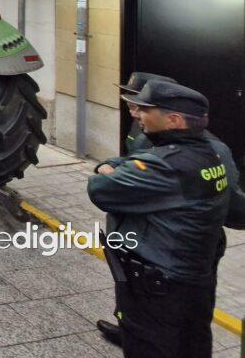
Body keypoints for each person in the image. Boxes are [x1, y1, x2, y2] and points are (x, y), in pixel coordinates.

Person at [88, 80, 243, 358]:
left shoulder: (169, 164)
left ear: (173, 119)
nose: (138, 114)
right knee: (191, 343)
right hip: (193, 277)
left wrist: (106, 170)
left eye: (146, 109)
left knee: (151, 346)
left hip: (159, 286)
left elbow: (100, 190)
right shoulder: (212, 153)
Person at [93, 70, 176, 346]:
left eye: (135, 103)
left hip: (151, 234)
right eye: (128, 101)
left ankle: (140, 334)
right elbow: (130, 159)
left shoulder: (166, 140)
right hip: (128, 224)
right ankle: (125, 324)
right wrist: (111, 165)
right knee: (126, 282)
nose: (130, 109)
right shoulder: (140, 125)